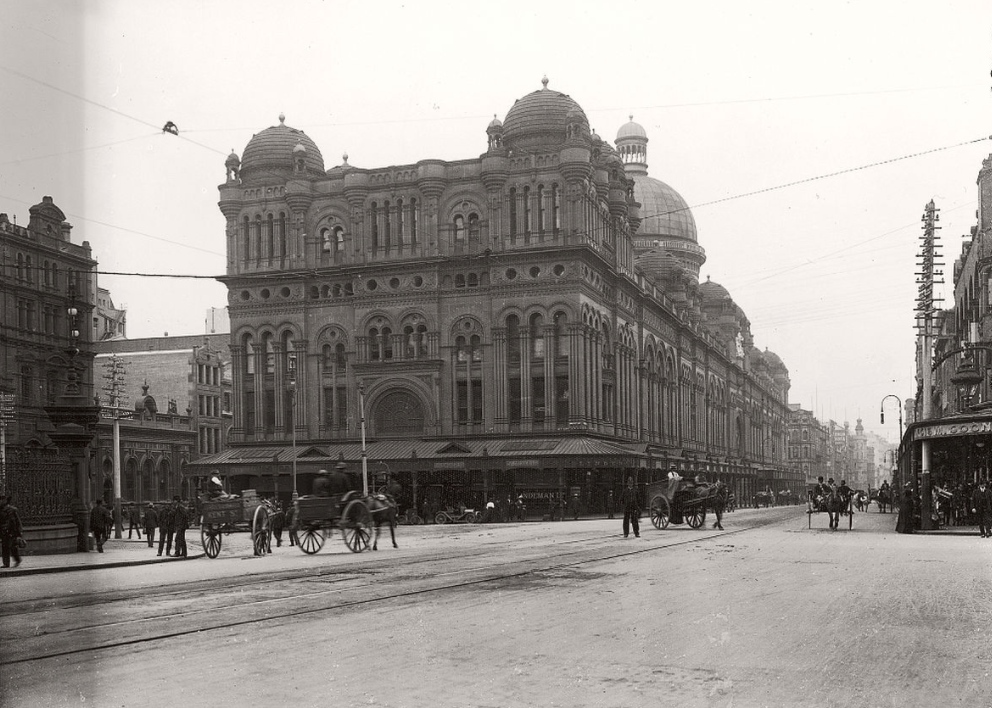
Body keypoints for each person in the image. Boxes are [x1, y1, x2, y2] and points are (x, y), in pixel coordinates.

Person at [0, 495, 24, 568]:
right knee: (5, 547)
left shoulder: (12, 510)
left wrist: (19, 533)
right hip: (4, 531)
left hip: (12, 532)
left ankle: (17, 560)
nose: (1, 501)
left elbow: (17, 522)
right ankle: (6, 563)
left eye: (2, 500)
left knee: (12, 547)